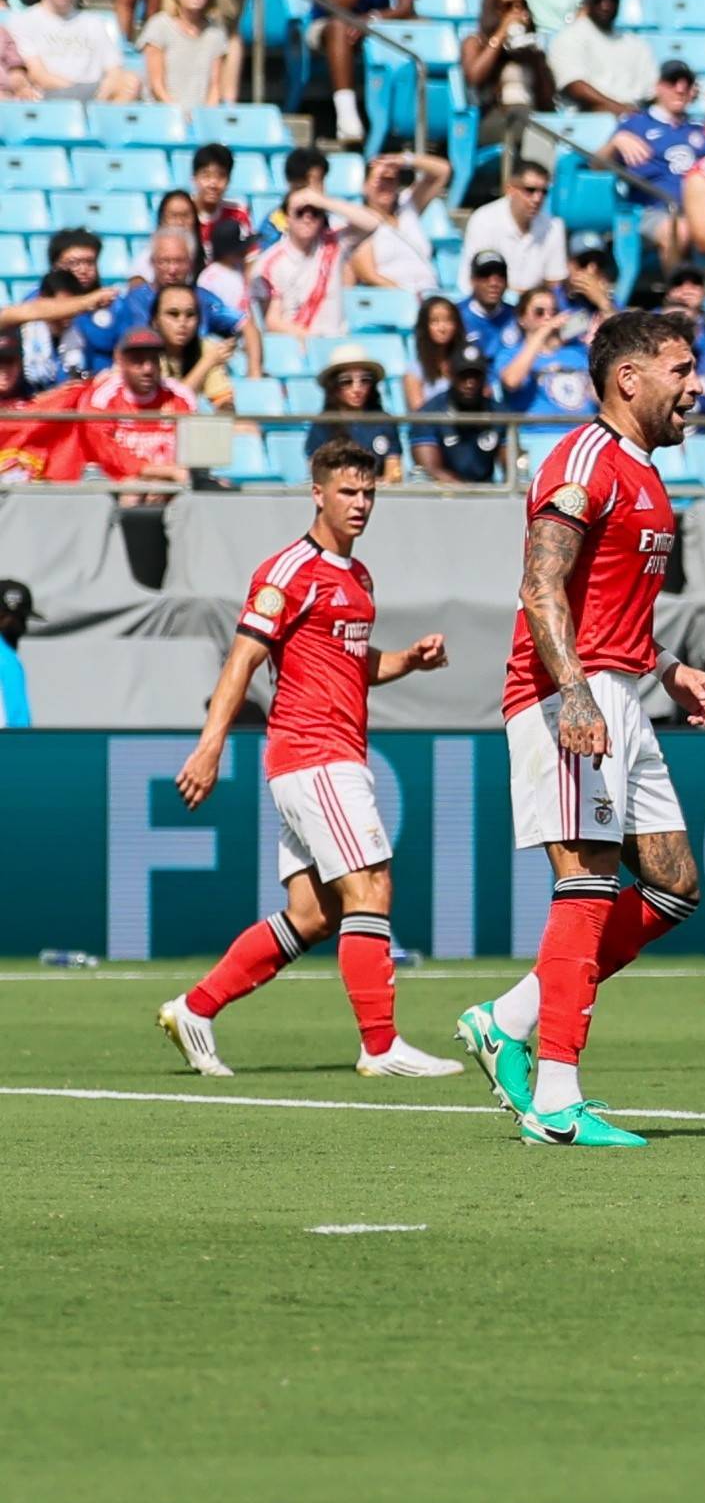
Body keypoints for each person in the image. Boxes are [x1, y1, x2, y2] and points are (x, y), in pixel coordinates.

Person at [457, 312, 705, 1150]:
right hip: (561, 696)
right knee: (588, 881)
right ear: (629, 379)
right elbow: (543, 588)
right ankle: (556, 1098)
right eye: (681, 370)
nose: (697, 385)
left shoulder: (648, 473)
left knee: (674, 884)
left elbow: (610, 605)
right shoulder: (583, 461)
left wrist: (669, 666)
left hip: (621, 691)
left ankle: (509, 1019)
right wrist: (573, 692)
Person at [156, 444, 459, 1080]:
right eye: (348, 492)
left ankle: (196, 1008)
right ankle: (381, 1046)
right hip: (313, 752)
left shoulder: (358, 577)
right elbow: (242, 660)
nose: (361, 505)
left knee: (314, 915)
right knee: (371, 885)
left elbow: (354, 661)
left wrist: (408, 659)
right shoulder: (287, 571)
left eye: (369, 493)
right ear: (316, 493)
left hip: (331, 755)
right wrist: (210, 745)